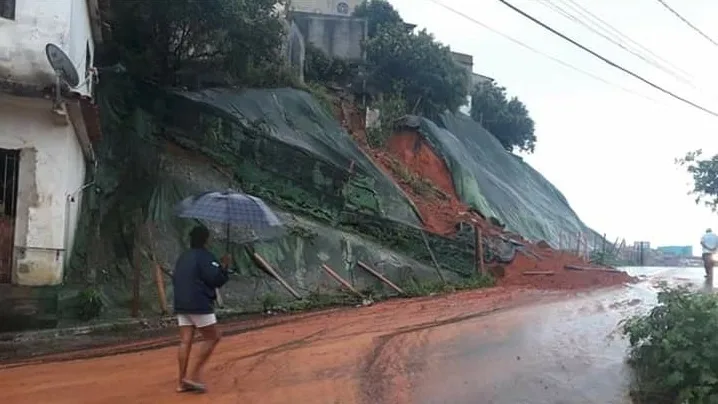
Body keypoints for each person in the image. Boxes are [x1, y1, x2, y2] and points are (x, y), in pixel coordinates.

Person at [173, 225, 230, 393]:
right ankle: (193, 375)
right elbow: (216, 279)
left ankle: (181, 381)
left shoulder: (183, 256)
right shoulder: (205, 257)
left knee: (185, 341)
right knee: (213, 337)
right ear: (206, 239)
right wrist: (224, 267)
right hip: (199, 303)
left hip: (181, 302)